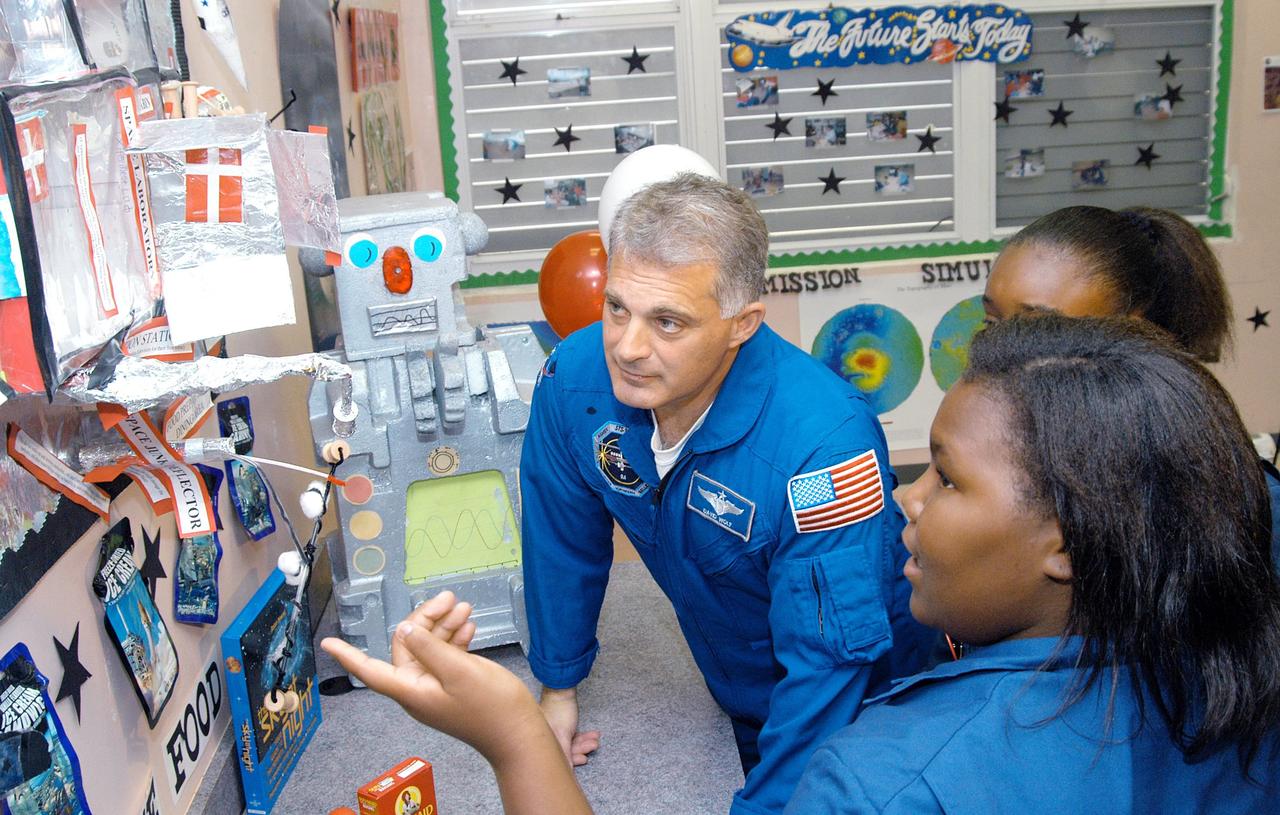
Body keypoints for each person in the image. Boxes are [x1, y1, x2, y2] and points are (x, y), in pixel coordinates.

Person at [323, 315, 1280, 814]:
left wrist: (513, 738)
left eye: (944, 479)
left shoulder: (888, 779)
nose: (909, 497)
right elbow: (563, 518)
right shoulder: (1230, 679)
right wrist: (562, 674)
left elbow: (831, 654)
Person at [518, 172, 929, 812]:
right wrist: (557, 689)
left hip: (866, 718)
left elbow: (829, 673)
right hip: (729, 682)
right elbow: (560, 538)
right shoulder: (574, 379)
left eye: (668, 322)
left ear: (742, 324)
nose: (627, 347)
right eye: (616, 306)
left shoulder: (826, 445)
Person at [983, 205, 1280, 567]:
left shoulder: (1240, 509)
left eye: (1041, 330)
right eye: (992, 324)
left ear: (1143, 338)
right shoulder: (999, 472)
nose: (998, 351)